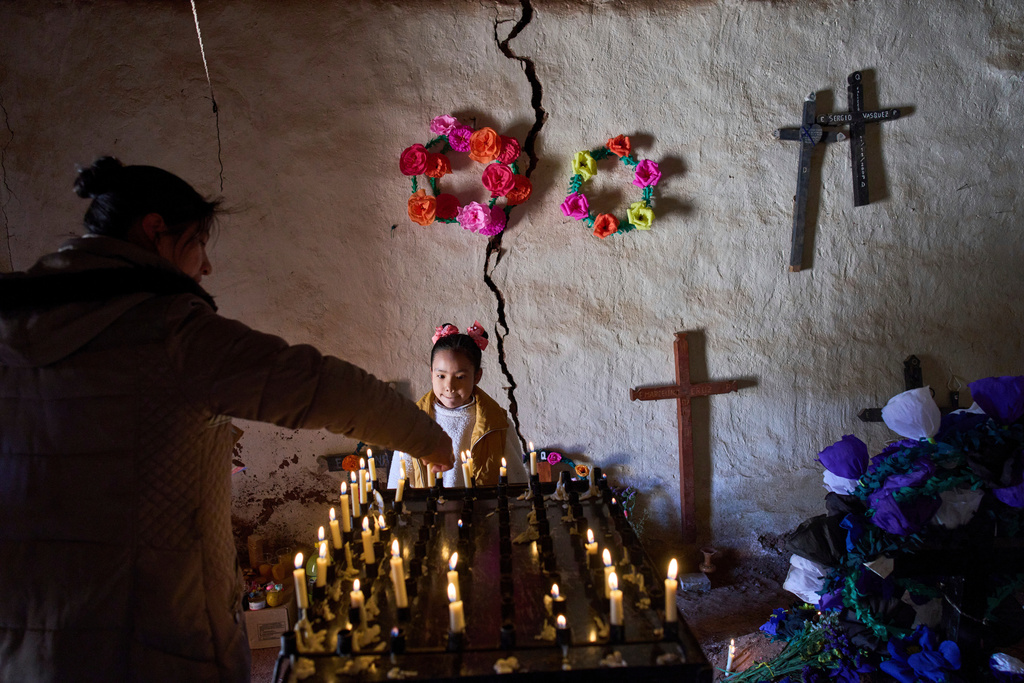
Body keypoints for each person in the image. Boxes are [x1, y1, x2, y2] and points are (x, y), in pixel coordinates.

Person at [0, 156, 454, 683]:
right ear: (155, 231)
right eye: (198, 243)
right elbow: (318, 387)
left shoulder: (11, 325)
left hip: (24, 640)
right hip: (152, 638)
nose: (206, 266)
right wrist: (427, 439)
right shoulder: (169, 332)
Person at [386, 322, 527, 489]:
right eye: (441, 376)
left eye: (460, 377)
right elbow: (397, 482)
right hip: (430, 513)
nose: (450, 386)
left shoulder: (497, 424)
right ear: (431, 374)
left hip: (482, 513)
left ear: (476, 376)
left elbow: (516, 482)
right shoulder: (413, 423)